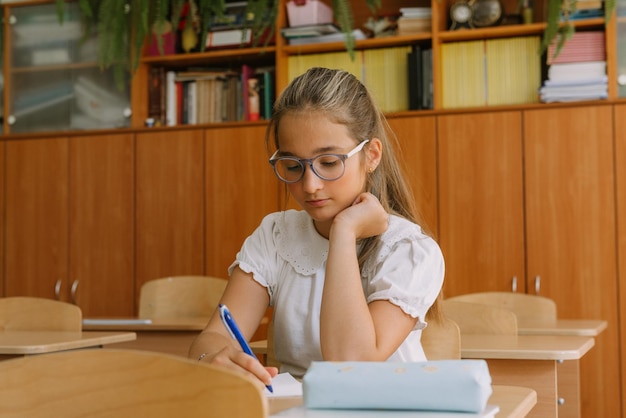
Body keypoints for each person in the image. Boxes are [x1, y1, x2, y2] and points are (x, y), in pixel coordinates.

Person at [189, 67, 444, 389]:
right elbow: (213, 336)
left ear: (371, 155)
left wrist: (343, 233)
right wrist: (212, 359)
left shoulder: (410, 250)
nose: (310, 185)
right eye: (293, 166)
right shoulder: (275, 235)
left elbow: (351, 364)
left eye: (328, 163)